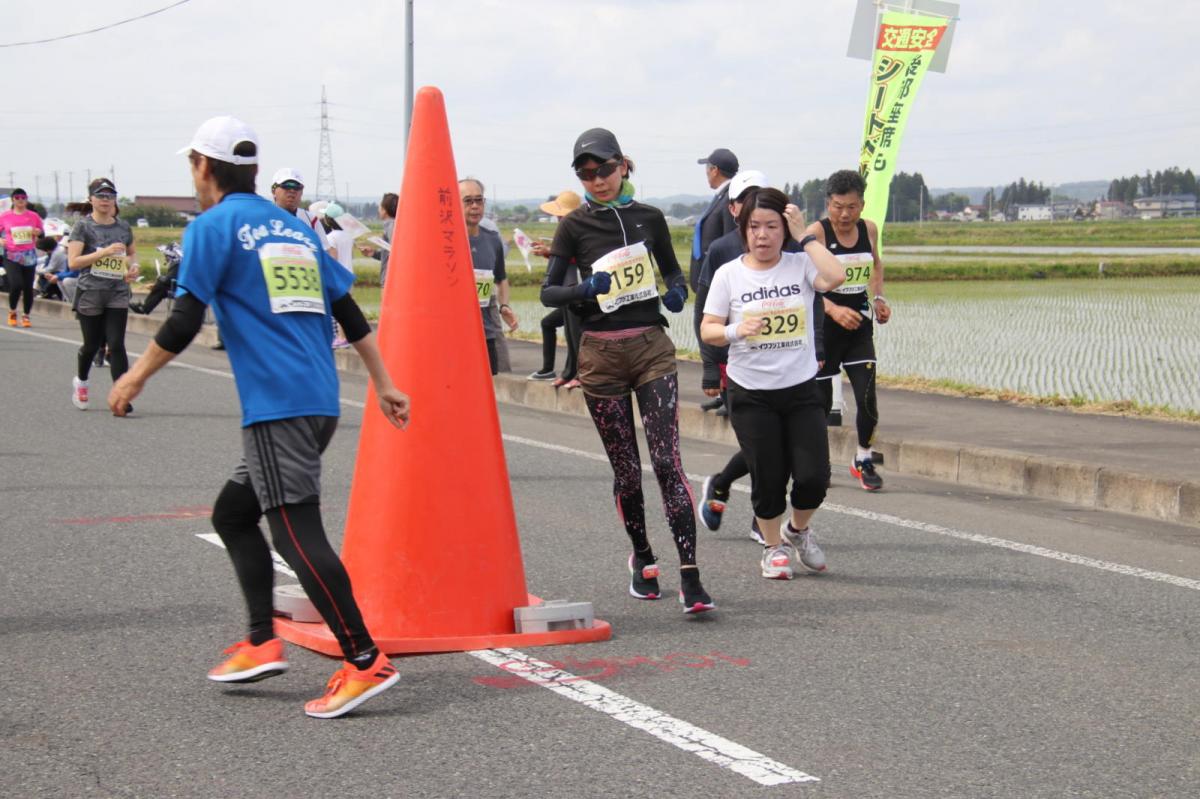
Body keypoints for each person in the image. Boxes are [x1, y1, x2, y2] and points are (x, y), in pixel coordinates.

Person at [109, 115, 411, 720]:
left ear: (203, 166)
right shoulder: (293, 228)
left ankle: (364, 659)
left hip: (278, 406)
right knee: (232, 514)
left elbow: (184, 319)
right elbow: (348, 310)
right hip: (318, 400)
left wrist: (133, 377)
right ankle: (260, 641)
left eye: (191, 164)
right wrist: (383, 382)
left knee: (296, 534)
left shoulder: (213, 227)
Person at [541, 127, 714, 614]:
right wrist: (584, 289)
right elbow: (549, 293)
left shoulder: (649, 217)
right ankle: (643, 558)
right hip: (600, 356)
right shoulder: (573, 225)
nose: (597, 180)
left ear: (622, 165)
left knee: (667, 462)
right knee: (627, 472)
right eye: (586, 174)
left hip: (651, 349)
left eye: (604, 169)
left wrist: (676, 290)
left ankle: (691, 575)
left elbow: (673, 270)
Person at [700, 187, 845, 580]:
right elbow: (708, 328)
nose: (762, 235)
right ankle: (771, 547)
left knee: (814, 477)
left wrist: (807, 237)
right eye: (754, 227)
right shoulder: (729, 274)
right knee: (769, 475)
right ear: (743, 230)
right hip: (751, 392)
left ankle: (797, 531)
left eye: (772, 226)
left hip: (801, 389)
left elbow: (836, 276)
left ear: (785, 229)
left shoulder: (801, 264)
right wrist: (736, 330)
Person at [807, 170, 891, 491]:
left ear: (862, 205)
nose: (844, 214)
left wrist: (879, 298)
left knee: (867, 397)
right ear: (828, 204)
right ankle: (819, 463)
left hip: (858, 327)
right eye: (838, 206)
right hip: (824, 329)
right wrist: (832, 308)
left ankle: (863, 459)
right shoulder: (816, 233)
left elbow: (876, 264)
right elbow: (803, 282)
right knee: (819, 404)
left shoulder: (869, 229)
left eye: (852, 207)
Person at [65, 178, 139, 411]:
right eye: (101, 195)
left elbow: (130, 255)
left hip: (117, 292)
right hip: (91, 292)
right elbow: (73, 262)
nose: (106, 200)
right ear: (91, 199)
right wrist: (103, 252)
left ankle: (121, 397)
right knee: (91, 344)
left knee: (116, 344)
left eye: (110, 196)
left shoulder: (123, 227)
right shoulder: (83, 227)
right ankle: (81, 382)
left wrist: (132, 269)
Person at [691, 149, 739, 411]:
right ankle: (723, 392)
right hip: (709, 277)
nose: (706, 174)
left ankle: (728, 392)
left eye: (707, 168)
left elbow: (730, 242)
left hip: (719, 279)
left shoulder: (730, 198)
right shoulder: (721, 196)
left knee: (720, 332)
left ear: (714, 170)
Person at [460, 178, 518, 375]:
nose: (475, 206)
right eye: (468, 201)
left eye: (479, 200)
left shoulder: (492, 239)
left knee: (490, 386)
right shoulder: (445, 242)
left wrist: (504, 305)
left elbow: (501, 278)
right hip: (453, 334)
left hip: (485, 333)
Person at [528, 190, 583, 385]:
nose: (559, 218)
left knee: (576, 335)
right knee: (561, 329)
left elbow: (579, 256)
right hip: (566, 291)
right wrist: (548, 252)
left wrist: (549, 251)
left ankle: (579, 375)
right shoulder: (566, 229)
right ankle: (558, 371)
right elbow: (563, 257)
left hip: (578, 290)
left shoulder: (579, 230)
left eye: (561, 214)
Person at [0, 188, 45, 327]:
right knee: (16, 284)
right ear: (13, 200)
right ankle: (13, 311)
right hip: (11, 255)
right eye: (17, 198)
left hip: (29, 256)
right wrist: (0, 241)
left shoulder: (33, 216)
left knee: (27, 287)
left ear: (26, 199)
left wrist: (38, 232)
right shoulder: (5, 216)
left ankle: (26, 315)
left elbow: (42, 233)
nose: (20, 200)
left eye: (23, 198)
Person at [359, 192, 397, 287]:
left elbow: (396, 252)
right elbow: (389, 252)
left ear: (384, 210)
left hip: (390, 279)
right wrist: (374, 253)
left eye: (380, 206)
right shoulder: (393, 225)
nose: (378, 209)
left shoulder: (391, 225)